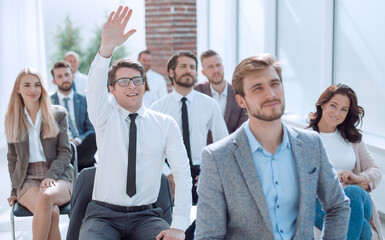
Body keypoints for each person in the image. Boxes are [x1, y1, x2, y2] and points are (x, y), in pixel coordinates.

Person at [195, 54, 351, 239]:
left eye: (275, 84)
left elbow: (337, 206)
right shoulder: (217, 157)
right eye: (257, 88)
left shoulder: (311, 144)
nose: (270, 94)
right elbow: (208, 236)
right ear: (241, 101)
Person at [79, 6, 191, 240]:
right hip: (103, 216)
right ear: (112, 89)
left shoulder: (165, 123)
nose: (132, 85)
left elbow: (182, 173)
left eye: (137, 80)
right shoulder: (103, 117)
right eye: (124, 81)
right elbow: (93, 90)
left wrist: (179, 225)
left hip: (147, 216)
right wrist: (106, 50)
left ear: (144, 84)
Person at [151, 50, 228, 240]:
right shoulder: (157, 108)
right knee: (167, 222)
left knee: (205, 224)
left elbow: (223, 143)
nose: (189, 71)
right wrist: (168, 174)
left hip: (200, 172)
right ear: (171, 72)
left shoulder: (209, 104)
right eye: (183, 66)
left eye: (192, 67)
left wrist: (209, 172)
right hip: (169, 175)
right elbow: (151, 151)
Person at [5, 67, 74, 240]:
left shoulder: (57, 114)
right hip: (27, 178)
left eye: (37, 85)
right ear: (18, 89)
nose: (33, 90)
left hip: (59, 175)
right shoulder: (12, 118)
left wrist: (51, 175)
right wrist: (14, 189)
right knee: (53, 213)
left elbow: (66, 152)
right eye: (27, 85)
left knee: (46, 198)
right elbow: (12, 159)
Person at [308, 84, 383, 240]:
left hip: (355, 197)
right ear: (322, 104)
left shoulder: (352, 138)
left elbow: (375, 170)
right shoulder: (305, 139)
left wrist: (359, 178)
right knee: (362, 227)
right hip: (322, 204)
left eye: (344, 109)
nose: (337, 113)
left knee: (353, 192)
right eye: (333, 106)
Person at [51, 60, 97, 171]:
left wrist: (77, 140)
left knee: (94, 136)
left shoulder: (84, 101)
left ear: (73, 76)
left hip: (81, 144)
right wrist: (65, 141)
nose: (65, 79)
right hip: (61, 146)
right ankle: (78, 164)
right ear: (54, 81)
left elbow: (90, 129)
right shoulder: (49, 103)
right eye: (60, 76)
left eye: (67, 75)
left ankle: (69, 163)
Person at [195, 50, 248, 144]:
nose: (216, 70)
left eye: (218, 65)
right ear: (203, 72)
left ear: (223, 67)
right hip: (205, 151)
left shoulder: (239, 92)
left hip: (234, 148)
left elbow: (244, 126)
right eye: (210, 67)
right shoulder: (197, 92)